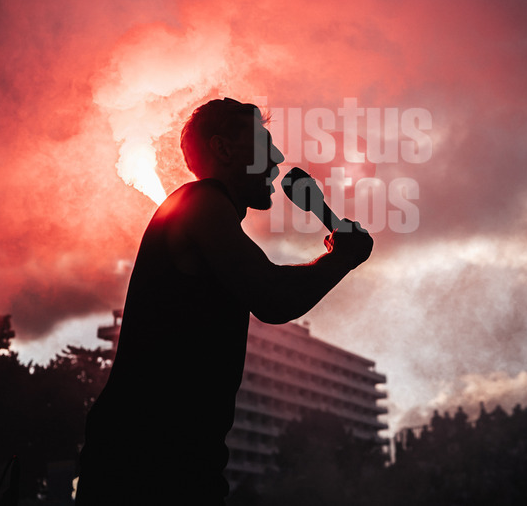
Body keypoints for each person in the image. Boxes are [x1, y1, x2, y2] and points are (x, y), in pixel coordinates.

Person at [75, 98, 373, 505]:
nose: (278, 158)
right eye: (264, 144)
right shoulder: (199, 202)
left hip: (166, 457)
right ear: (223, 149)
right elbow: (272, 296)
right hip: (148, 461)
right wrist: (341, 257)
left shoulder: (203, 210)